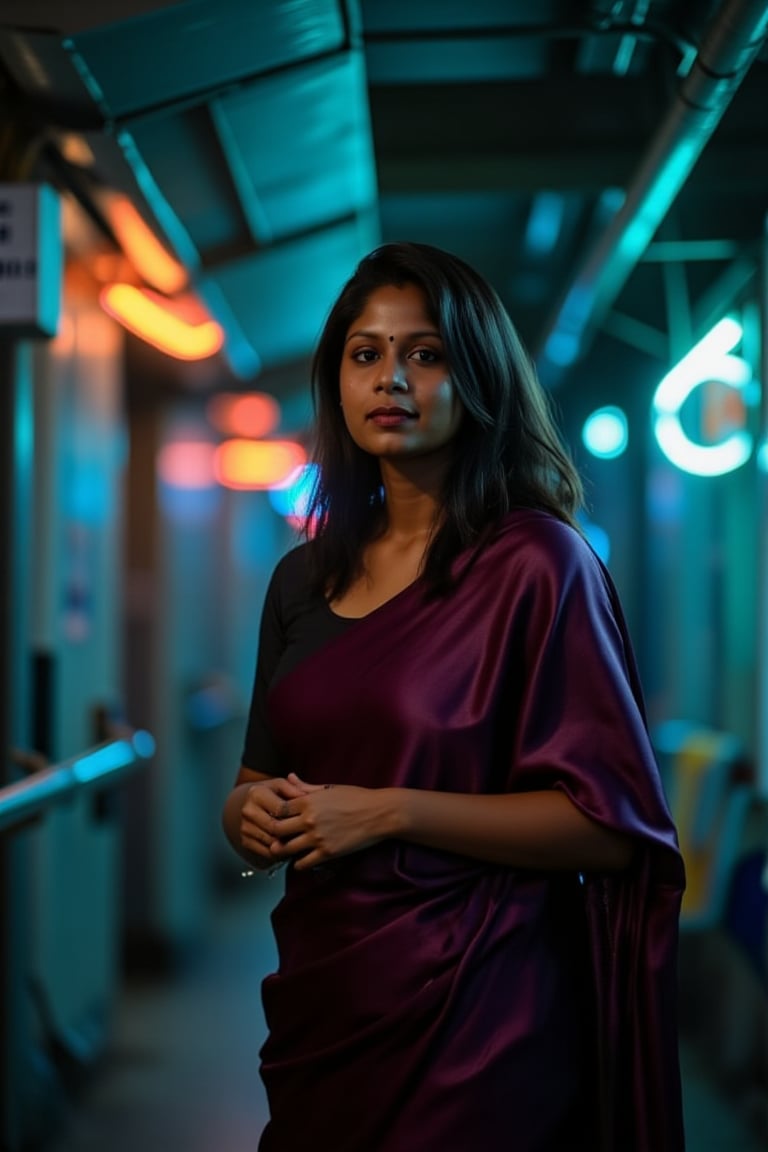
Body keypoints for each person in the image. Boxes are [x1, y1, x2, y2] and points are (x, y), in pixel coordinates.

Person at [222, 241, 685, 1151]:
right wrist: (247, 818)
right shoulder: (299, 581)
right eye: (367, 354)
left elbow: (609, 824)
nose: (391, 379)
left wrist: (388, 813)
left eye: (424, 354)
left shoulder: (539, 565)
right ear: (339, 381)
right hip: (324, 1001)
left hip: (484, 1014)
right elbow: (253, 781)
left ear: (475, 377)